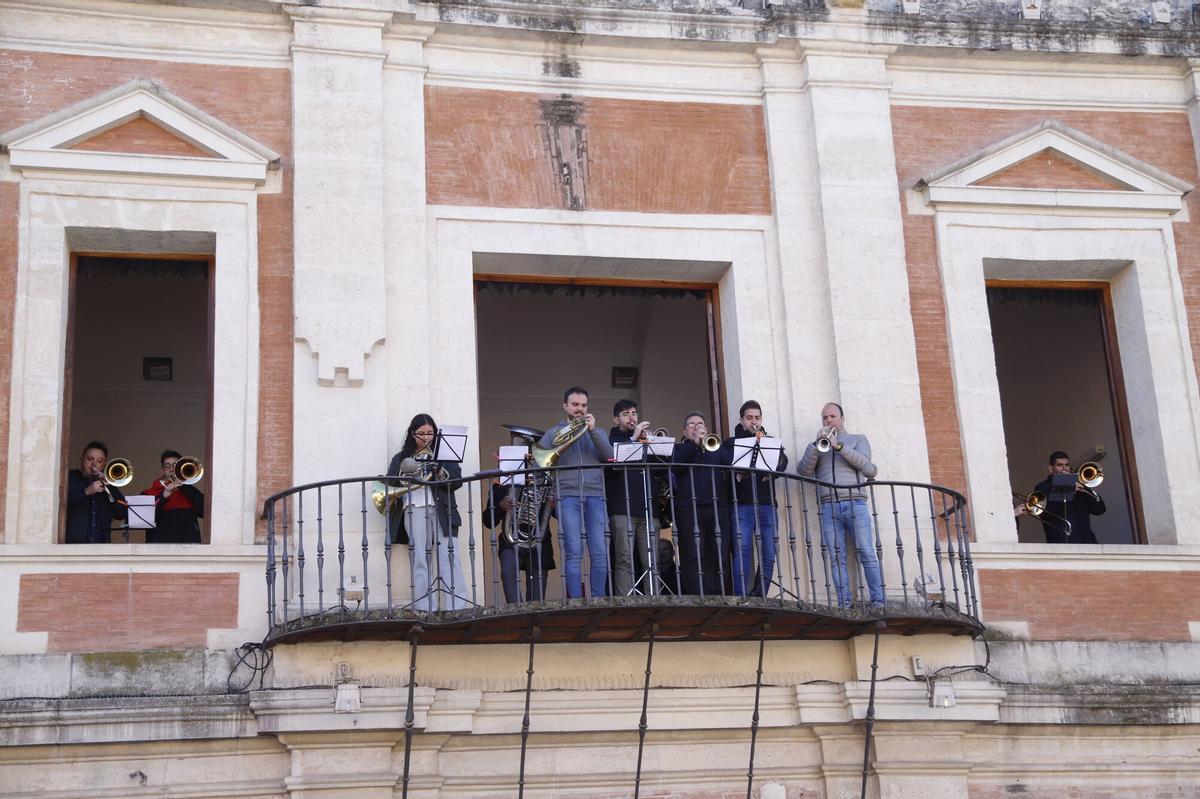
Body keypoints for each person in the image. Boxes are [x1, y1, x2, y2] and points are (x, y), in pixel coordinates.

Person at [797, 402, 883, 608]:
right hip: (829, 507)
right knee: (836, 558)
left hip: (855, 503)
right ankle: (844, 603)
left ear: (842, 419)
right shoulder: (818, 446)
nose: (829, 421)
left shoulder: (857, 439)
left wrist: (839, 446)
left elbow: (866, 465)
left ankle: (878, 600)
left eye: (832, 416)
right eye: (825, 418)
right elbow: (804, 470)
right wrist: (816, 446)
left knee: (866, 552)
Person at [386, 414, 469, 611]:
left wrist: (439, 471)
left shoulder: (444, 455)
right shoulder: (400, 458)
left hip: (443, 511)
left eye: (430, 433)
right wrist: (406, 474)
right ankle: (425, 607)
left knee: (450, 557)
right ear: (412, 434)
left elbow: (456, 481)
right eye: (421, 433)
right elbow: (391, 483)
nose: (426, 437)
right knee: (420, 559)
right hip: (414, 509)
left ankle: (456, 607)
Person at [539, 386, 613, 599]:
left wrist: (593, 431)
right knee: (573, 553)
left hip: (595, 495)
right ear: (565, 406)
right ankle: (575, 601)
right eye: (575, 405)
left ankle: (598, 599)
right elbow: (540, 460)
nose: (580, 409)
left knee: (599, 552)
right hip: (567, 496)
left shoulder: (597, 432)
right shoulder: (553, 433)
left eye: (583, 405)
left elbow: (609, 456)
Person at [482, 430, 555, 603]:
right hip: (511, 541)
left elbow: (558, 514)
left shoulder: (545, 483)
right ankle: (516, 610)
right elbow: (488, 522)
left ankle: (534, 614)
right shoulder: (501, 486)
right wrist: (500, 506)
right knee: (508, 573)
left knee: (537, 597)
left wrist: (554, 504)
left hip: (539, 542)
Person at [727, 400, 789, 598]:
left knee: (769, 554)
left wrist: (771, 471)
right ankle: (741, 597)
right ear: (741, 420)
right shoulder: (731, 443)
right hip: (742, 504)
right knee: (742, 551)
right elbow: (726, 464)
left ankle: (759, 595)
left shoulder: (769, 441)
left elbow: (782, 463)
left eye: (757, 418)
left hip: (767, 504)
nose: (753, 422)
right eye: (749, 418)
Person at [670, 412, 732, 596]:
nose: (696, 427)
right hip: (689, 508)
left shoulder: (716, 447)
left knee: (718, 551)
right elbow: (676, 466)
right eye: (692, 424)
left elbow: (730, 464)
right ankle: (696, 594)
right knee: (693, 552)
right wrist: (694, 444)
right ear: (684, 431)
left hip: (716, 507)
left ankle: (717, 593)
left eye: (700, 424)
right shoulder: (679, 449)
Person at [605, 399, 659, 596]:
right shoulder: (610, 441)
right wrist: (634, 438)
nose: (631, 417)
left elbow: (662, 466)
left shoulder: (644, 440)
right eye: (626, 414)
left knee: (651, 560)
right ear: (616, 419)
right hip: (622, 508)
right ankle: (625, 601)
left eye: (634, 413)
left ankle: (653, 600)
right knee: (624, 559)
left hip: (648, 508)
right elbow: (614, 461)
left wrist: (654, 444)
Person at [1031, 451, 1105, 544]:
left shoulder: (1078, 485)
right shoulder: (1044, 487)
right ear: (1051, 468)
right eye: (1059, 465)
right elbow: (1044, 512)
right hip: (1061, 543)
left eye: (1066, 465)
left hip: (1087, 542)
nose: (1064, 468)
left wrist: (1085, 489)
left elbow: (1099, 510)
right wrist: (1068, 489)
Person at [65, 440, 127, 544]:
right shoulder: (69, 478)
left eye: (99, 461)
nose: (94, 464)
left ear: (104, 465)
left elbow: (122, 513)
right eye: (90, 459)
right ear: (81, 459)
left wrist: (110, 485)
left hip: (102, 546)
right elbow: (60, 506)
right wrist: (86, 491)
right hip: (73, 545)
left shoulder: (107, 486)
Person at [141, 449, 204, 544]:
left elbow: (203, 512)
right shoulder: (148, 493)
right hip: (158, 548)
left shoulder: (190, 491)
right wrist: (163, 496)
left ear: (180, 467)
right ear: (162, 470)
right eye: (167, 465)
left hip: (189, 547)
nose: (171, 469)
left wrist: (184, 485)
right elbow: (144, 518)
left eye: (175, 465)